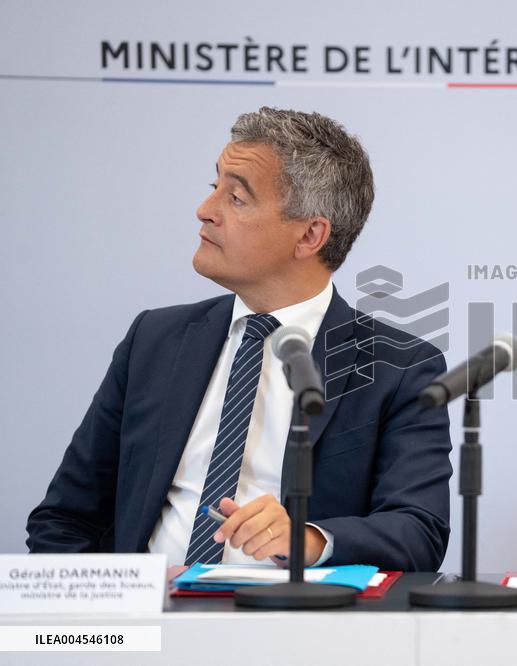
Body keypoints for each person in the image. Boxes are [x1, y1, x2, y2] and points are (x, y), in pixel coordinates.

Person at [27, 107, 452, 571]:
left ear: (310, 235)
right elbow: (66, 519)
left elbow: (418, 530)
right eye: (215, 189)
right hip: (149, 621)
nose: (205, 211)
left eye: (237, 198)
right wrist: (108, 621)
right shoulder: (155, 340)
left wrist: (309, 538)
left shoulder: (399, 366)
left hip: (293, 630)